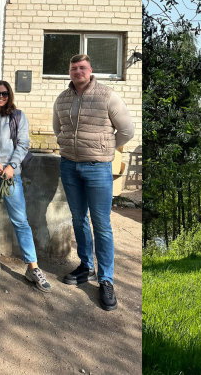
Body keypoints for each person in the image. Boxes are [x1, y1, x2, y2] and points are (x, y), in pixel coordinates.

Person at [52, 54, 134, 311]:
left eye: (82, 68)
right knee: (78, 219)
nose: (78, 71)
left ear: (91, 70)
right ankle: (86, 266)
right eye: (74, 68)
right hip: (69, 166)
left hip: (98, 169)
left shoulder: (107, 95)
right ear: (69, 71)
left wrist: (105, 148)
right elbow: (58, 129)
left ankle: (106, 280)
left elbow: (127, 131)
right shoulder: (62, 98)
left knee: (101, 223)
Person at [0, 80, 52, 293]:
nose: (1, 96)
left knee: (20, 220)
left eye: (5, 93)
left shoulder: (18, 117)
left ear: (9, 96)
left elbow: (23, 144)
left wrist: (11, 166)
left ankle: (32, 267)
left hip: (11, 175)